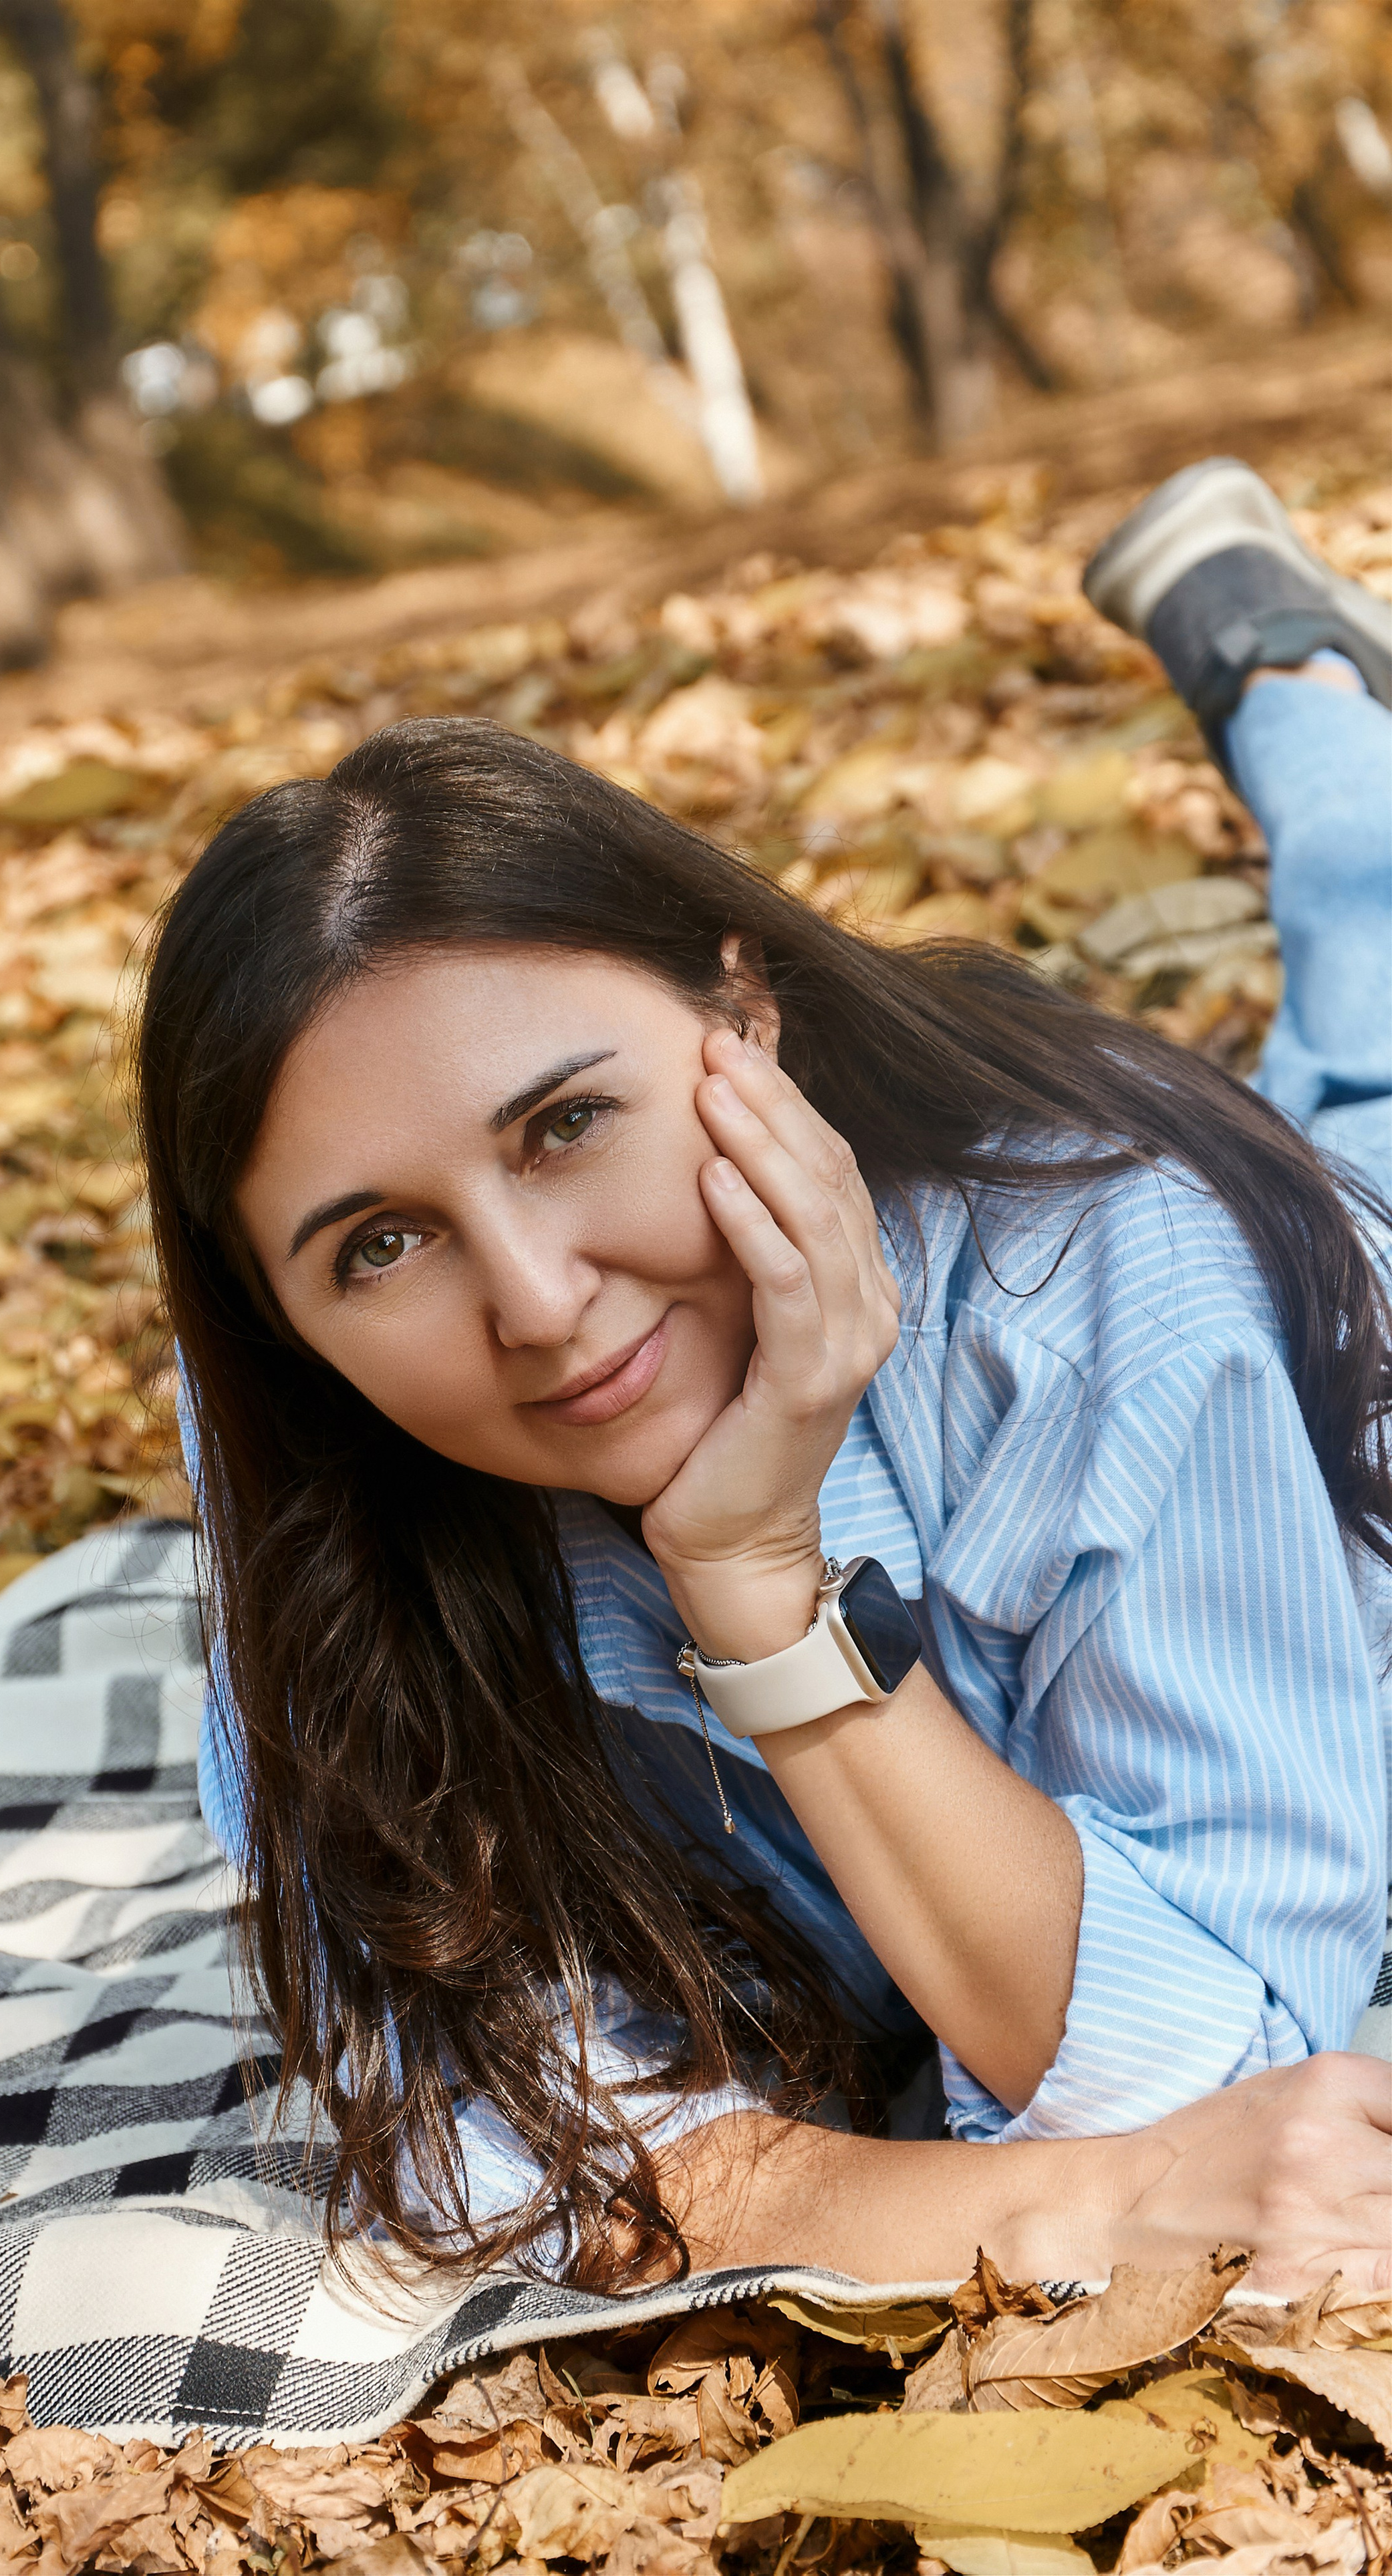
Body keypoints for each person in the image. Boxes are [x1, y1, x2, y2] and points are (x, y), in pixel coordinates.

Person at [136, 457, 1392, 2299]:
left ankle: (1299, 686)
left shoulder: (1104, 1273)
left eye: (568, 1123)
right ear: (274, 1314)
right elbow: (525, 2146)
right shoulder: (303, 1470)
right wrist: (1087, 2204)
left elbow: (1238, 2058)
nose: (541, 1306)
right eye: (382, 1244)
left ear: (744, 1015)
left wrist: (772, 1606)